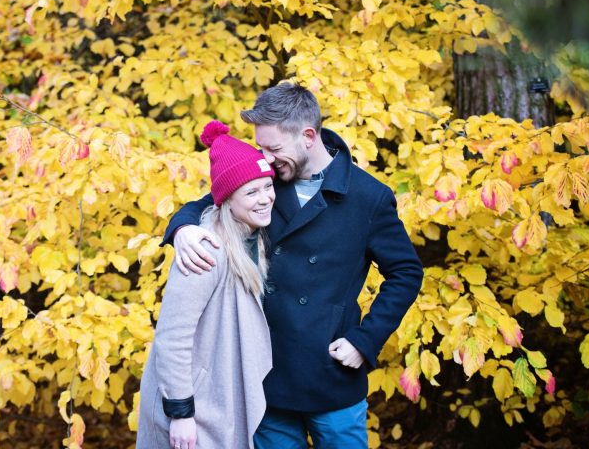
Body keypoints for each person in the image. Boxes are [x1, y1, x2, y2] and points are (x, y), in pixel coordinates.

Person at [163, 82, 424, 448]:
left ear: (307, 136)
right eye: (261, 148)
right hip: (267, 378)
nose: (266, 158)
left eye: (273, 148)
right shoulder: (265, 182)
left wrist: (365, 340)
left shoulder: (368, 197)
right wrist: (183, 228)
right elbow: (212, 201)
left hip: (332, 376)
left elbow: (406, 273)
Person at [137, 120, 276, 449]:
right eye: (251, 192)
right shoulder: (206, 249)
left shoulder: (249, 237)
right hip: (194, 407)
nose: (265, 198)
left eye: (267, 186)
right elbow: (173, 337)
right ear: (227, 200)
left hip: (218, 397)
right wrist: (181, 412)